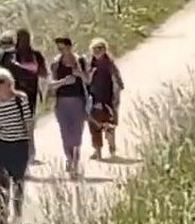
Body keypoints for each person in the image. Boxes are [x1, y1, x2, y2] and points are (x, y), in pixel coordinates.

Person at [0, 68, 34, 224]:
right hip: (2, 145)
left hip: (20, 144)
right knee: (2, 181)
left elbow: (28, 122)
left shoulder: (21, 99)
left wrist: (31, 145)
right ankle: (3, 214)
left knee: (18, 180)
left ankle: (18, 213)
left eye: (2, 81)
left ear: (9, 82)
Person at [48, 37, 91, 176]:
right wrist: (63, 82)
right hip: (61, 102)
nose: (61, 51)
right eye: (58, 49)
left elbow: (88, 80)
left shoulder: (80, 61)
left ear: (70, 47)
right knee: (65, 133)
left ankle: (75, 162)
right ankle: (69, 159)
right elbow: (51, 85)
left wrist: (79, 74)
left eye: (62, 48)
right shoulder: (56, 63)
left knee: (77, 133)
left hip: (78, 101)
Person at [9, 28, 47, 163]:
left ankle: (30, 152)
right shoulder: (11, 56)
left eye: (25, 38)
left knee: (28, 123)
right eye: (21, 38)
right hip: (14, 95)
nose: (23, 41)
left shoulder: (35, 55)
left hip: (30, 94)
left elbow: (43, 73)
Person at [86, 38, 124, 160]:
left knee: (109, 125)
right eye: (95, 49)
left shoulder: (110, 65)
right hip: (93, 100)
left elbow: (118, 83)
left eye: (100, 48)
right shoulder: (89, 65)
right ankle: (98, 151)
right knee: (94, 126)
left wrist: (115, 100)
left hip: (108, 100)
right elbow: (85, 81)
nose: (97, 51)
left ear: (105, 49)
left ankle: (112, 149)